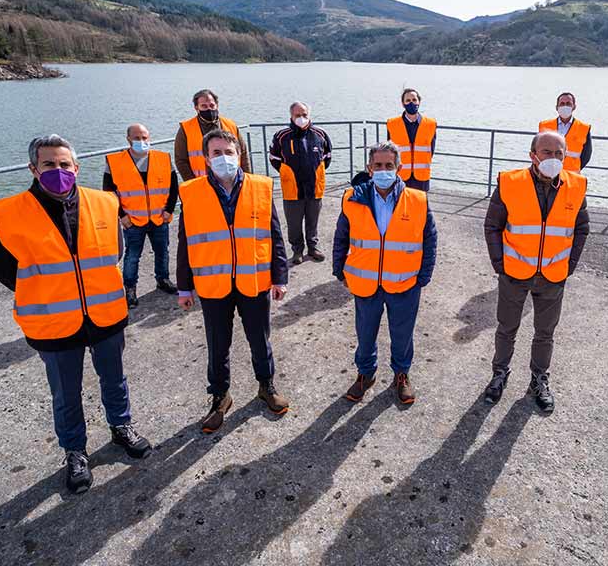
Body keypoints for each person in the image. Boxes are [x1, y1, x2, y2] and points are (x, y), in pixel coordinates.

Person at [0, 135, 152, 494]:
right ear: (33, 168)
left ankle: (121, 427)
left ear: (76, 168)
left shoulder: (105, 202)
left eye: (64, 164)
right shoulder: (8, 213)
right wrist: (51, 291)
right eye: (49, 164)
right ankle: (75, 451)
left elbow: (116, 253)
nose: (58, 171)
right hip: (53, 320)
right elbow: (3, 269)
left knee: (115, 378)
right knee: (65, 392)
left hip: (104, 312)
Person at [176, 129, 290, 432]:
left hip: (253, 282)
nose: (223, 157)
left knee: (259, 339)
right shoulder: (191, 191)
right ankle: (220, 396)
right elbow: (185, 242)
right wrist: (184, 286)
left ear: (239, 155)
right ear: (206, 158)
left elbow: (274, 235)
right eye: (216, 153)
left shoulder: (261, 187)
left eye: (229, 152)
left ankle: (266, 386)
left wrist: (280, 277)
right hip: (213, 286)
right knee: (217, 344)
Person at [483, 130, 590, 413]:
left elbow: (582, 228)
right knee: (506, 328)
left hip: (554, 275)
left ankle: (539, 380)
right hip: (514, 272)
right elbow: (492, 226)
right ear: (533, 155)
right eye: (547, 152)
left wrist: (569, 265)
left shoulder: (576, 186)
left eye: (559, 153)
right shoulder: (509, 182)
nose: (553, 158)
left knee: (545, 333)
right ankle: (499, 374)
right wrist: (500, 265)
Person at [331, 141, 437, 405]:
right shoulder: (352, 198)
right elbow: (341, 237)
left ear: (399, 168)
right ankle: (365, 374)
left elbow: (430, 238)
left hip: (404, 283)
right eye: (378, 165)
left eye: (389, 165)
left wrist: (423, 276)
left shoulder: (418, 200)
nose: (383, 170)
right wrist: (339, 270)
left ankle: (401, 374)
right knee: (365, 334)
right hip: (365, 283)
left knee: (402, 334)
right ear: (369, 168)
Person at [103, 123, 178, 307]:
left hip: (159, 218)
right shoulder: (115, 161)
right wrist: (121, 216)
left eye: (144, 137)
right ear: (128, 139)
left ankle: (163, 280)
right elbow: (108, 192)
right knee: (132, 256)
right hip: (132, 220)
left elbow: (174, 187)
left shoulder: (163, 158)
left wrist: (169, 210)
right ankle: (130, 288)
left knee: (163, 252)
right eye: (137, 138)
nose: (142, 141)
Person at [269, 101, 333, 265]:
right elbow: (274, 159)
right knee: (294, 223)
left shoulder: (320, 134)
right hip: (292, 189)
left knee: (313, 220)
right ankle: (297, 250)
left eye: (304, 115)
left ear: (309, 115)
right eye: (297, 115)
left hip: (314, 188)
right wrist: (287, 174)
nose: (301, 118)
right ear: (291, 116)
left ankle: (313, 247)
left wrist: (316, 173)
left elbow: (327, 157)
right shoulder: (281, 136)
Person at [174, 88, 251, 181]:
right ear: (196, 108)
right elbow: (181, 161)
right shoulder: (185, 129)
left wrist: (246, 178)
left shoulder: (231, 125)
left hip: (232, 180)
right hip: (202, 182)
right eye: (204, 106)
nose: (209, 109)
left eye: (211, 105)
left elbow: (243, 153)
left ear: (217, 105)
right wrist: (192, 183)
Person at [385, 88, 435, 192]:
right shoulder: (392, 124)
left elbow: (431, 150)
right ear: (403, 104)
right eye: (408, 100)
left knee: (421, 205)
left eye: (414, 99)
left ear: (419, 102)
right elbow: (390, 152)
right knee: (400, 205)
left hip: (421, 176)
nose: (411, 103)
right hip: (400, 175)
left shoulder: (430, 124)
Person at [537, 92, 593, 172]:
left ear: (574, 107)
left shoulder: (584, 128)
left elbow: (586, 155)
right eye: (562, 104)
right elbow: (537, 150)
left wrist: (575, 168)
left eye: (568, 104)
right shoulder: (544, 126)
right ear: (557, 107)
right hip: (548, 174)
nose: (565, 106)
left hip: (572, 175)